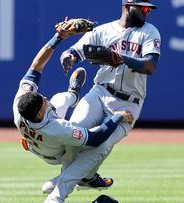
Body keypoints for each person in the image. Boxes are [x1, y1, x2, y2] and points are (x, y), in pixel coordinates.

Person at [41, 0, 161, 200]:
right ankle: (85, 177)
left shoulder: (150, 31)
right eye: (143, 7)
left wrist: (123, 58)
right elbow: (74, 51)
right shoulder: (104, 31)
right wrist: (68, 56)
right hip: (100, 92)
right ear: (127, 5)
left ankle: (58, 193)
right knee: (74, 132)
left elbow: (150, 66)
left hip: (128, 103)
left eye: (148, 9)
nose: (146, 12)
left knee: (101, 146)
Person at [12, 24, 134, 203]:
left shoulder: (19, 105)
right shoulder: (57, 128)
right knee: (83, 145)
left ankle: (73, 95)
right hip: (55, 152)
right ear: (39, 114)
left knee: (60, 100)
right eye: (42, 101)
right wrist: (117, 117)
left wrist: (58, 37)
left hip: (35, 143)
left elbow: (35, 67)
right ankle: (74, 178)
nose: (44, 97)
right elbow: (95, 138)